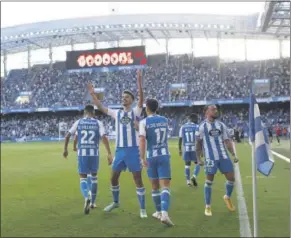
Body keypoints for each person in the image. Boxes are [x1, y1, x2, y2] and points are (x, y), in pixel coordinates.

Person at [87, 70, 147, 218]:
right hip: (119, 150)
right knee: (113, 178)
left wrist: (139, 81)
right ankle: (115, 202)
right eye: (122, 97)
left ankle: (143, 208)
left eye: (126, 97)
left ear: (131, 100)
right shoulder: (116, 113)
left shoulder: (136, 112)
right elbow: (101, 107)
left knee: (137, 179)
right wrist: (93, 94)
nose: (124, 99)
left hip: (133, 150)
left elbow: (141, 99)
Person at [63, 104, 113, 214]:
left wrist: (66, 149)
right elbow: (104, 137)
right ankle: (93, 202)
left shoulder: (79, 122)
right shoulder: (98, 123)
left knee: (83, 178)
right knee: (94, 177)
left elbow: (68, 136)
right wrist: (109, 153)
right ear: (93, 113)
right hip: (94, 154)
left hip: (83, 154)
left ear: (84, 112)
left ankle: (86, 195)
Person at [195, 105, 239, 216]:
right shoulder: (201, 127)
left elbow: (227, 141)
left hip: (223, 156)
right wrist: (198, 158)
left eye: (216, 109)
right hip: (210, 158)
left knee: (231, 179)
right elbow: (198, 143)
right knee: (209, 181)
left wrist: (233, 153)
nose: (216, 111)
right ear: (206, 112)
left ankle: (227, 197)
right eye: (213, 109)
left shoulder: (221, 125)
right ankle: (208, 206)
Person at [139, 98, 174, 226]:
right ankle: (164, 213)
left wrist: (142, 158)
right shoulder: (164, 120)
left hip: (151, 156)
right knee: (165, 186)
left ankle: (158, 212)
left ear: (147, 108)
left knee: (154, 186)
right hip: (164, 154)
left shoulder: (144, 122)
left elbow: (142, 140)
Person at [178, 113, 200, 187]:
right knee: (198, 163)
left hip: (186, 149)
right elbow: (198, 139)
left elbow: (180, 139)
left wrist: (179, 149)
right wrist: (201, 150)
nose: (197, 120)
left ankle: (188, 181)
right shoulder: (196, 126)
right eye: (196, 119)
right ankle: (194, 176)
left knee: (187, 165)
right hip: (194, 149)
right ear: (193, 118)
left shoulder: (183, 127)